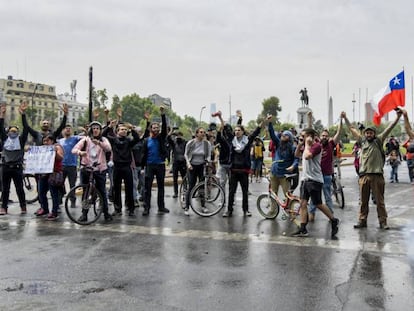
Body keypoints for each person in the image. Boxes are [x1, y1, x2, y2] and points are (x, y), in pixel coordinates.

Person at [342, 110, 402, 229]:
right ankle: (362, 220)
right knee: (363, 201)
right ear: (365, 134)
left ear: (374, 134)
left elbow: (389, 129)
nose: (369, 135)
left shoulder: (378, 141)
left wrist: (397, 117)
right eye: (367, 133)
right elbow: (352, 129)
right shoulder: (362, 141)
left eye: (371, 133)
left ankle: (383, 222)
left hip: (377, 176)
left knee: (379, 201)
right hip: (364, 176)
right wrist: (345, 118)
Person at [292, 128, 339, 237]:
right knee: (303, 204)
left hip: (315, 180)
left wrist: (307, 145)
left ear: (310, 136)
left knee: (318, 204)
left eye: (304, 136)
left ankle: (333, 220)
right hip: (305, 179)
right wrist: (300, 145)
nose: (302, 138)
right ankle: (303, 228)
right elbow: (296, 155)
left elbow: (308, 157)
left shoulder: (316, 146)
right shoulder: (306, 146)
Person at [222, 117, 265, 217]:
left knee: (244, 191)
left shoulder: (247, 140)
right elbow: (226, 130)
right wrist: (220, 118)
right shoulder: (232, 141)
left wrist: (263, 122)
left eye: (239, 130)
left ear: (243, 131)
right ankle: (229, 210)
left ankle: (246, 210)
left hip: (244, 170)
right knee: (231, 191)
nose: (237, 132)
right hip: (233, 170)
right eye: (235, 130)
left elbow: (255, 132)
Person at [72, 121, 113, 222]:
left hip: (99, 169)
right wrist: (80, 152)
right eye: (93, 128)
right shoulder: (85, 140)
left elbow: (108, 148)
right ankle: (84, 214)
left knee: (102, 191)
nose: (95, 130)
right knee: (85, 192)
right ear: (91, 130)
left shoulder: (103, 139)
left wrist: (99, 143)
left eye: (97, 128)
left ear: (100, 130)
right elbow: (74, 149)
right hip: (86, 168)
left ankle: (106, 213)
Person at [308, 113, 343, 221]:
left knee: (328, 197)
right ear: (320, 137)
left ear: (328, 137)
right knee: (314, 197)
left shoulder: (331, 144)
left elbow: (339, 132)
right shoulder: (317, 144)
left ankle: (331, 216)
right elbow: (310, 132)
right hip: (316, 176)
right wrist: (309, 119)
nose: (324, 137)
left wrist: (341, 120)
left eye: (326, 136)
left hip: (327, 175)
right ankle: (311, 215)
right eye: (323, 135)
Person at [103, 120, 141, 217]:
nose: (124, 131)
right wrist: (109, 126)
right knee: (116, 189)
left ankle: (130, 208)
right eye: (121, 129)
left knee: (129, 188)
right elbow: (103, 135)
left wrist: (132, 129)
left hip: (127, 167)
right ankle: (117, 209)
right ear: (117, 131)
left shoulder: (129, 141)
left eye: (125, 129)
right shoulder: (113, 140)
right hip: (117, 167)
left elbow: (137, 138)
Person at [0, 102, 29, 215]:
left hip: (17, 168)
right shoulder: (4, 140)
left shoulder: (21, 141)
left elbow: (26, 128)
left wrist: (23, 114)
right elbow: (0, 127)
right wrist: (2, 115)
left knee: (19, 189)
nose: (13, 132)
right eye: (11, 131)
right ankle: (3, 208)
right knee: (5, 189)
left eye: (15, 131)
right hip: (6, 167)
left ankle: (23, 206)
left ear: (17, 132)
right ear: (8, 133)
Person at [141, 106, 170, 216]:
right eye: (154, 128)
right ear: (151, 129)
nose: (156, 129)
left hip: (160, 165)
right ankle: (146, 208)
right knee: (147, 188)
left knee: (161, 187)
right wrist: (142, 168)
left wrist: (162, 114)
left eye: (158, 127)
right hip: (149, 166)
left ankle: (161, 207)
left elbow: (164, 129)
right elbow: (143, 155)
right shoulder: (146, 141)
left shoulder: (161, 138)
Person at [267, 115, 299, 201]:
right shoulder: (278, 143)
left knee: (287, 196)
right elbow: (272, 134)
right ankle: (272, 211)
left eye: (286, 135)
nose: (283, 136)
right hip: (274, 173)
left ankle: (288, 212)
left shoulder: (293, 148)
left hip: (285, 175)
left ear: (290, 138)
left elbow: (296, 159)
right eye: (282, 135)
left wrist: (293, 166)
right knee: (273, 194)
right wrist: (270, 122)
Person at [34, 134, 64, 220]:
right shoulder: (42, 149)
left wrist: (54, 152)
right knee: (41, 192)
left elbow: (60, 158)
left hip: (54, 173)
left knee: (54, 193)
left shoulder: (57, 147)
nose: (46, 143)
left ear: (52, 141)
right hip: (44, 173)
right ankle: (45, 209)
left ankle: (54, 212)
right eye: (44, 141)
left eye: (48, 141)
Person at [183, 127, 212, 216]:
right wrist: (188, 164)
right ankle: (187, 206)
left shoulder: (207, 144)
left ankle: (203, 206)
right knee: (191, 185)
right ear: (196, 133)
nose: (203, 134)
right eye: (201, 132)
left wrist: (207, 161)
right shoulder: (191, 143)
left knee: (202, 186)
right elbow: (186, 154)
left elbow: (208, 155)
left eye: (204, 132)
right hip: (192, 166)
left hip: (201, 166)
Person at [58, 124, 82, 208]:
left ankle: (72, 201)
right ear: (63, 131)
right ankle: (59, 200)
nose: (67, 130)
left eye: (69, 128)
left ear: (71, 130)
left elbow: (85, 138)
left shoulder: (75, 138)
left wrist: (85, 131)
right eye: (66, 128)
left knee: (72, 185)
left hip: (72, 165)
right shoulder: (60, 141)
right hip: (62, 165)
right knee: (60, 184)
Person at [168, 129, 187, 198]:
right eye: (177, 135)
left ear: (182, 136)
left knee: (184, 178)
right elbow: (168, 138)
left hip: (183, 162)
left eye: (180, 135)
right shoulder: (174, 143)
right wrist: (171, 131)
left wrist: (191, 133)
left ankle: (185, 190)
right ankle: (175, 192)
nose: (178, 137)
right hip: (175, 162)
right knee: (175, 178)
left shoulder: (185, 142)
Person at [402, 109, 414, 184]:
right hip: (410, 158)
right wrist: (405, 116)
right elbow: (408, 128)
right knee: (410, 169)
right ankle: (412, 179)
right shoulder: (412, 138)